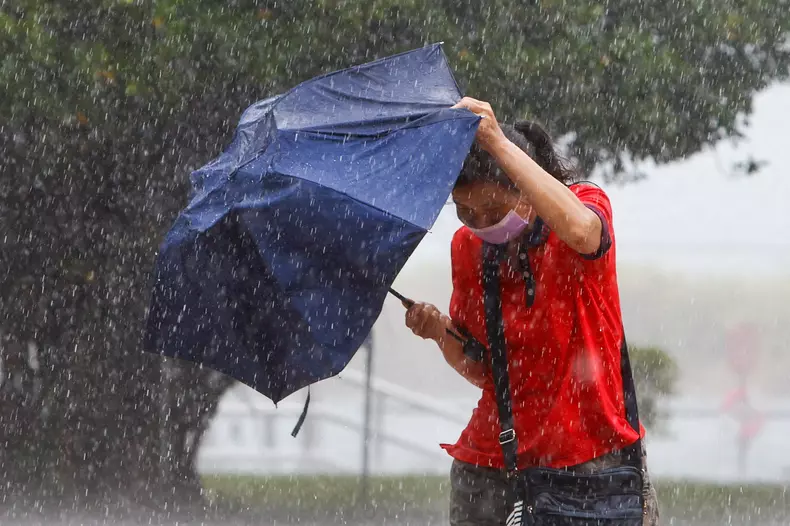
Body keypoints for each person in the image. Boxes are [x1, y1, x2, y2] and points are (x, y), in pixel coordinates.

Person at [402, 97, 660, 526]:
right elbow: (483, 370)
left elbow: (582, 232)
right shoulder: (468, 249)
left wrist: (497, 143)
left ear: (525, 186)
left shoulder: (581, 207)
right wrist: (438, 332)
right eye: (466, 212)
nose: (481, 223)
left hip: (591, 464)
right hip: (493, 468)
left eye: (494, 208)